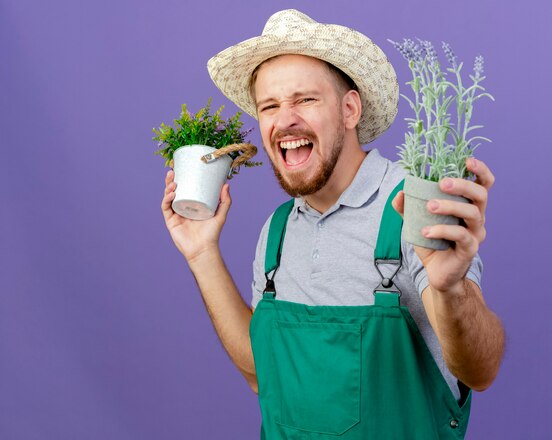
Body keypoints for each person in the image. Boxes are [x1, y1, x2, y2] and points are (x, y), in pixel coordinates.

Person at [161, 9, 505, 439]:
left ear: (349, 109)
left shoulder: (412, 204)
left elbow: (481, 369)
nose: (285, 119)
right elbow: (262, 375)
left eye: (305, 99)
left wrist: (450, 290)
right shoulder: (278, 231)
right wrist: (201, 253)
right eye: (270, 106)